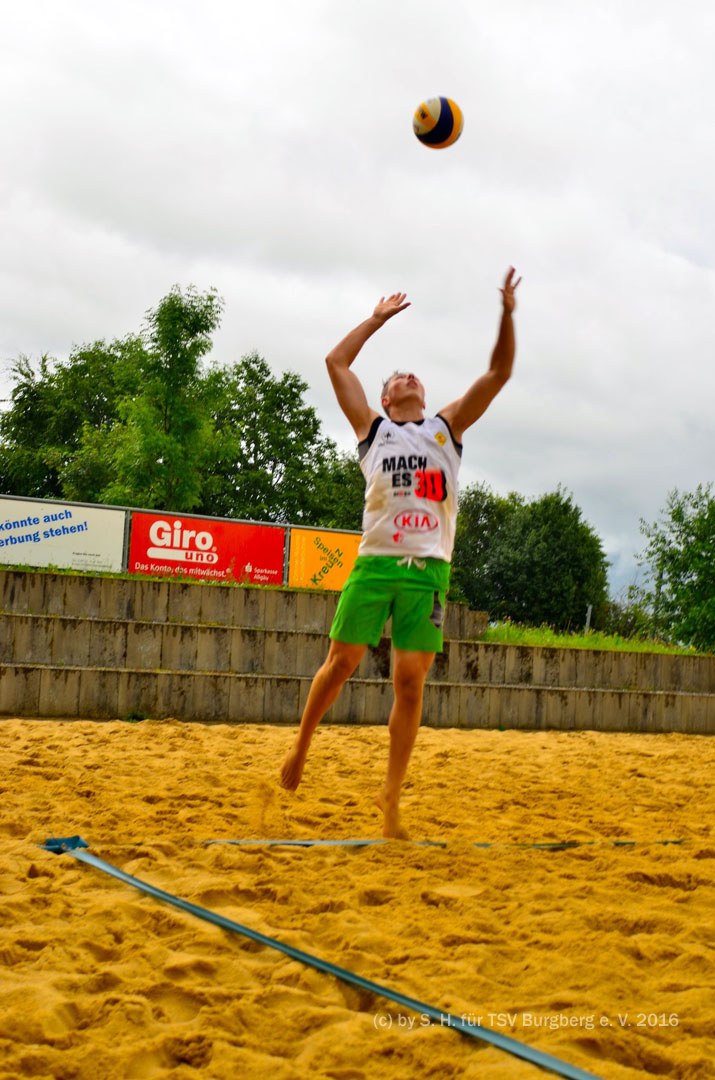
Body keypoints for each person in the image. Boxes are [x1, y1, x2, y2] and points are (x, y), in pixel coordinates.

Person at [280, 268, 521, 837]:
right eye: (397, 377)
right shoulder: (373, 430)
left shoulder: (446, 428)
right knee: (340, 664)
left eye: (415, 375)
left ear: (424, 396)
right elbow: (336, 362)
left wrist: (507, 315)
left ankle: (390, 798)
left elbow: (499, 373)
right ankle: (300, 748)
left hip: (427, 571)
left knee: (410, 680)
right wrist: (376, 319)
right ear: (387, 398)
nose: (409, 376)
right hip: (375, 563)